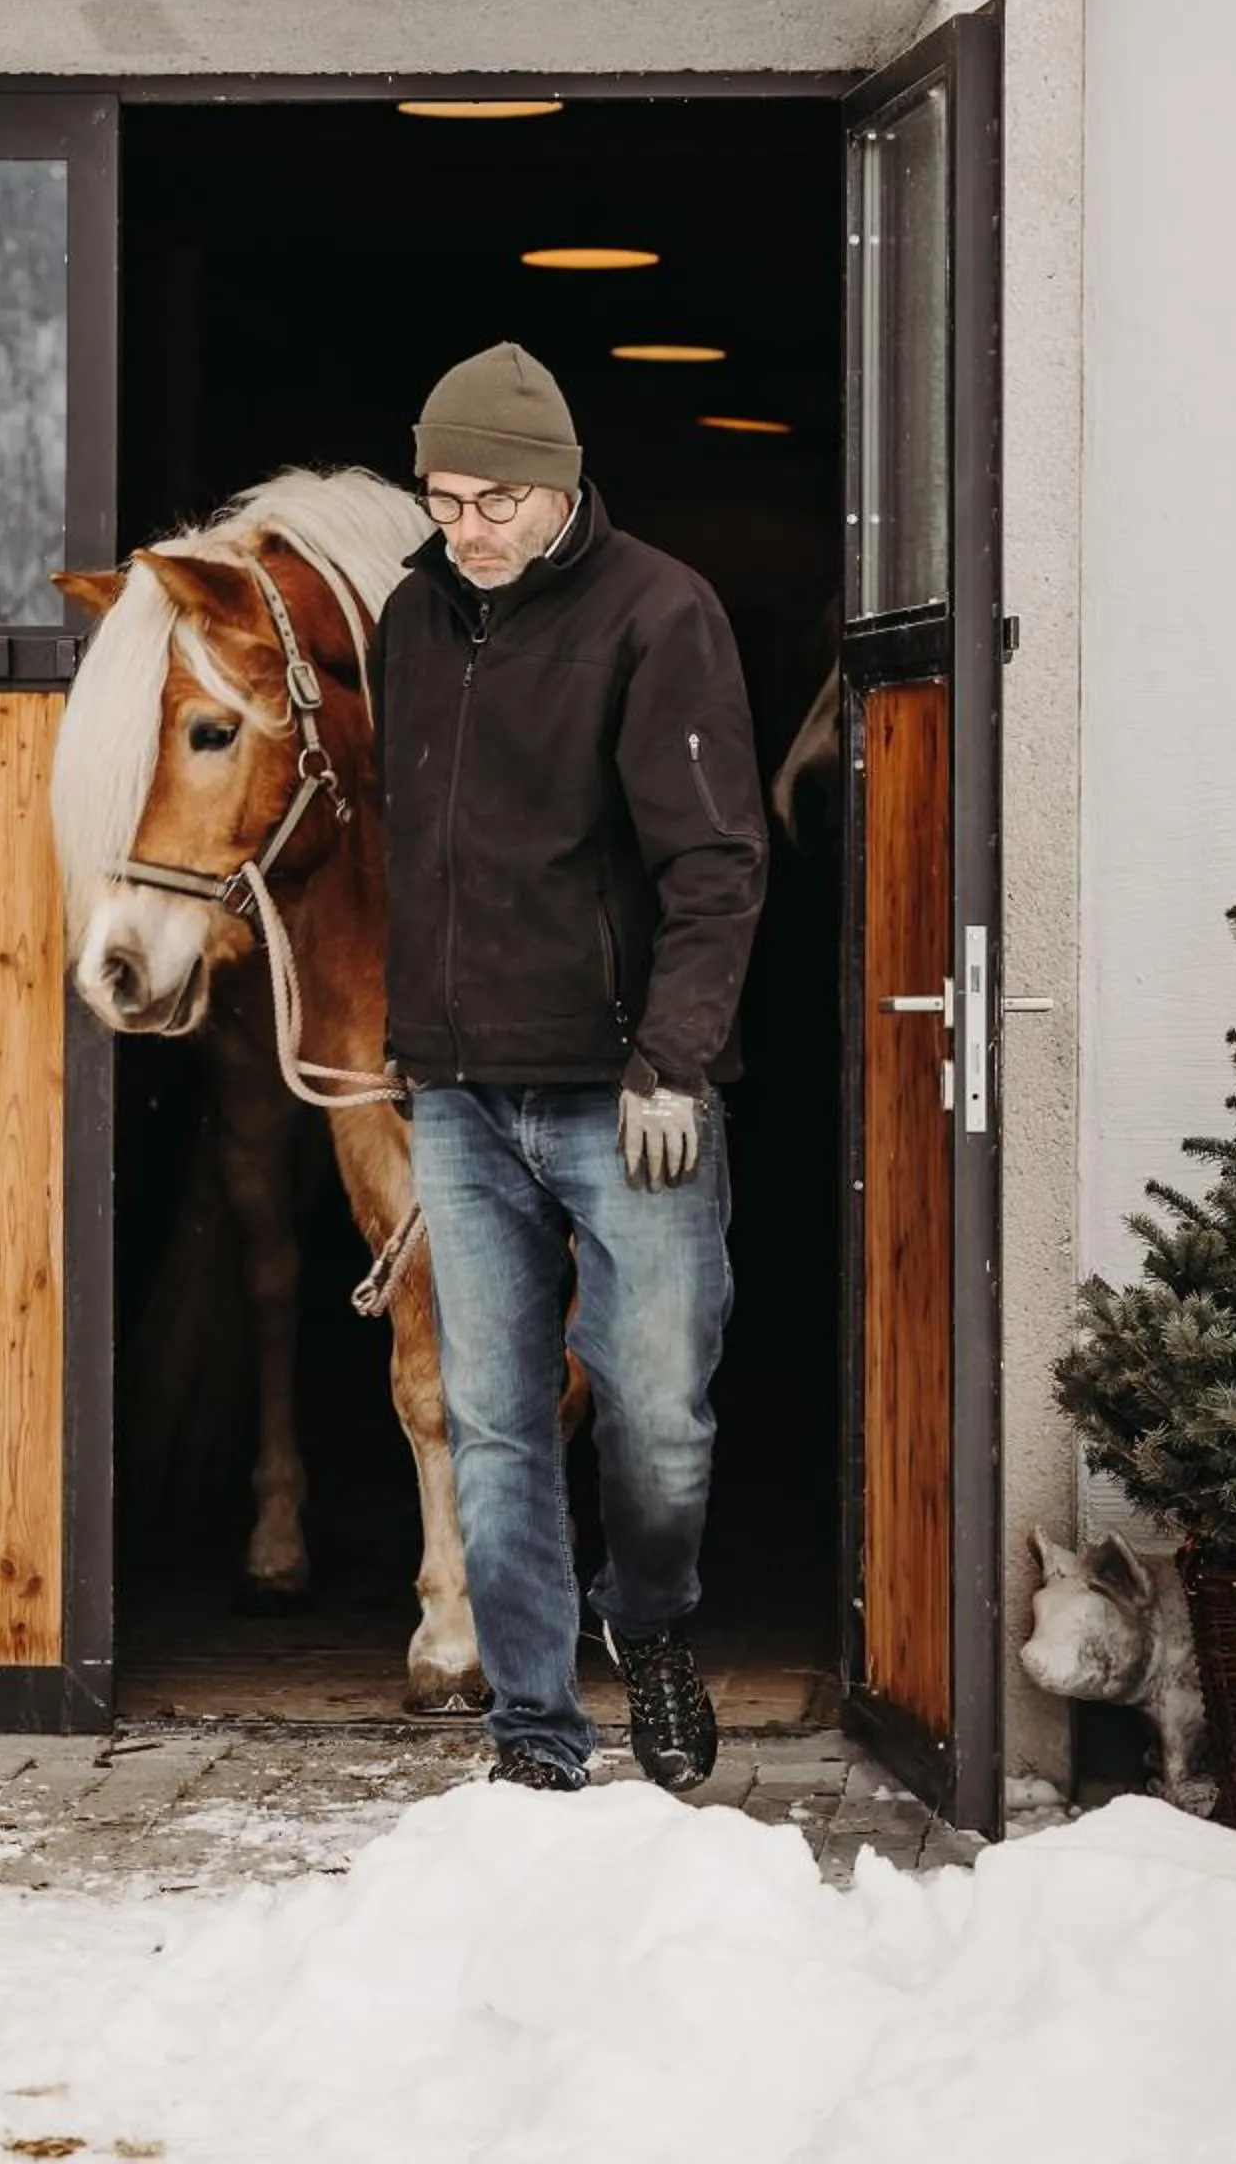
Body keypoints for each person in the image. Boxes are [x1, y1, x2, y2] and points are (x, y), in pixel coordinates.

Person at [369, 340, 768, 1793]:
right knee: (492, 1419)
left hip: (623, 1096)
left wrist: (675, 1062)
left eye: (487, 501)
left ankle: (651, 1628)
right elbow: (409, 852)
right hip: (463, 1099)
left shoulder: (661, 614)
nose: (460, 528)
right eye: (440, 496)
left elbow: (716, 861)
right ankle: (534, 1729)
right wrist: (409, 1048)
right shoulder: (414, 619)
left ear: (557, 489)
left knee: (657, 1406)